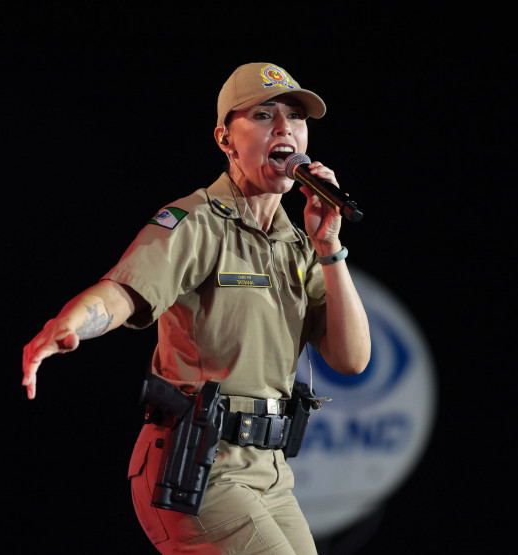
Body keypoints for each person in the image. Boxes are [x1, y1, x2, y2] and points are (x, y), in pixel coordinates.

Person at [21, 62, 371, 554]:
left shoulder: (298, 241)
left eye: (295, 116)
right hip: (197, 468)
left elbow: (352, 358)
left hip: (268, 473)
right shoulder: (198, 222)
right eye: (264, 114)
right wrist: (70, 323)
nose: (284, 127)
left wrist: (330, 248)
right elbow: (122, 292)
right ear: (225, 138)